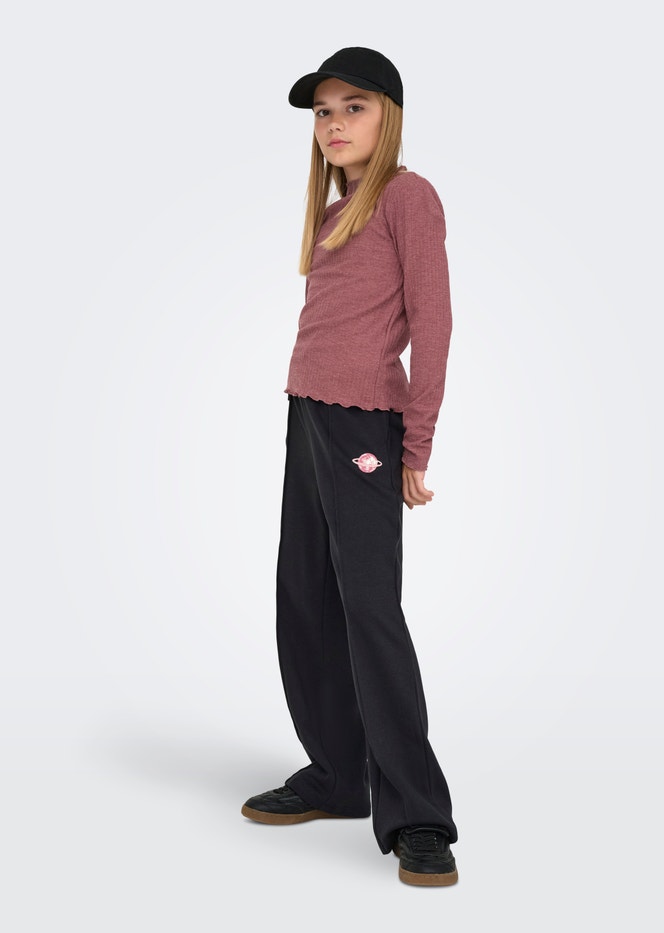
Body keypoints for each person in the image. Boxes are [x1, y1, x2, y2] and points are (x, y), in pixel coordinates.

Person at [241, 47, 458, 887]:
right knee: (304, 596)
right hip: (307, 414)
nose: (334, 123)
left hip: (366, 423)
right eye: (323, 112)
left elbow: (433, 325)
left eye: (353, 107)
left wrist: (416, 443)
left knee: (369, 610)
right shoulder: (337, 208)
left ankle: (419, 814)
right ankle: (338, 774)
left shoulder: (409, 195)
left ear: (388, 116)